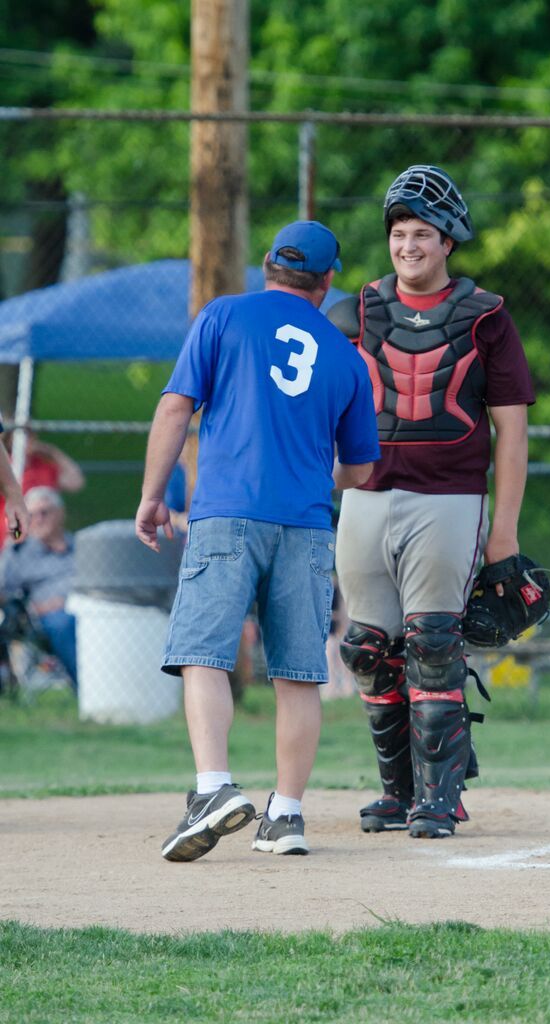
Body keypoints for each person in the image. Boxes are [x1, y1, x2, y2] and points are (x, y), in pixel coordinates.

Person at [135, 220, 380, 861]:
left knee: (204, 655)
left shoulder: (224, 316)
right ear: (327, 282)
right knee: (299, 673)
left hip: (226, 513)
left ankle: (213, 788)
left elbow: (173, 408)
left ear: (268, 262)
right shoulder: (346, 354)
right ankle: (288, 815)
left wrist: (152, 497)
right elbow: (360, 471)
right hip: (305, 526)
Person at [328, 165, 535, 839]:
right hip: (366, 492)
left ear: (449, 243)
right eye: (398, 233)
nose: (407, 245)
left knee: (434, 644)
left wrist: (503, 531)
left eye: (422, 234)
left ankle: (439, 799)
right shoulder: (358, 311)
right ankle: (399, 791)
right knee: (365, 647)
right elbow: (318, 400)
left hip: (448, 495)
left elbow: (512, 430)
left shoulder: (487, 317)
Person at [0, 486, 78, 689]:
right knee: (64, 622)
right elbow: (3, 591)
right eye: (32, 514)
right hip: (45, 618)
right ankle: (86, 689)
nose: (39, 519)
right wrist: (35, 608)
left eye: (45, 512)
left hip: (88, 609)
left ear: (61, 513)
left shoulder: (80, 546)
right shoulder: (18, 553)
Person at [0, 429, 85, 550]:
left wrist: (51, 452)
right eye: (21, 437)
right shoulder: (6, 467)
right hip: (13, 532)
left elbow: (76, 482)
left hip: (42, 532)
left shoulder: (43, 465)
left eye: (30, 436)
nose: (27, 441)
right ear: (10, 441)